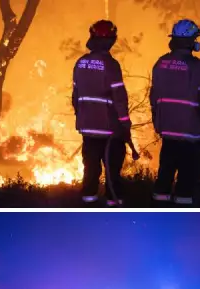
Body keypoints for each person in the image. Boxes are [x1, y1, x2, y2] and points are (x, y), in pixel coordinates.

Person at [150, 19, 200, 207]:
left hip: (168, 132)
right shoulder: (197, 66)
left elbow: (154, 97)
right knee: (187, 182)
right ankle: (182, 214)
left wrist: (157, 120)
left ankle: (159, 211)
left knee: (164, 175)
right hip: (190, 134)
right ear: (190, 41)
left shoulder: (161, 63)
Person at [72, 20, 134, 207]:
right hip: (110, 130)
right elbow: (119, 98)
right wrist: (125, 124)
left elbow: (75, 96)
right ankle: (114, 207)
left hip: (88, 128)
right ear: (111, 40)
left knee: (90, 170)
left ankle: (87, 205)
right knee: (112, 171)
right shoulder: (111, 65)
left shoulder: (80, 63)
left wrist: (82, 117)